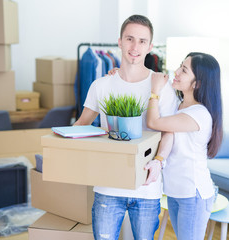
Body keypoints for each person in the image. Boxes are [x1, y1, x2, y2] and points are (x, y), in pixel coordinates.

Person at [73, 15, 178, 240]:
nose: (135, 46)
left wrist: (159, 162)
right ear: (119, 41)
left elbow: (169, 131)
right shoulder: (101, 85)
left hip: (147, 188)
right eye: (130, 39)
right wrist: (58, 145)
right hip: (107, 187)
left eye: (142, 41)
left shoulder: (162, 85)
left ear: (150, 47)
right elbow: (81, 124)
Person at [146, 52, 223, 240]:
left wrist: (154, 91)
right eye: (180, 66)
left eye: (184, 70)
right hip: (175, 190)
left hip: (193, 193)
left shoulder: (199, 114)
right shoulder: (180, 105)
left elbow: (154, 122)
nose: (177, 71)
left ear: (198, 83)